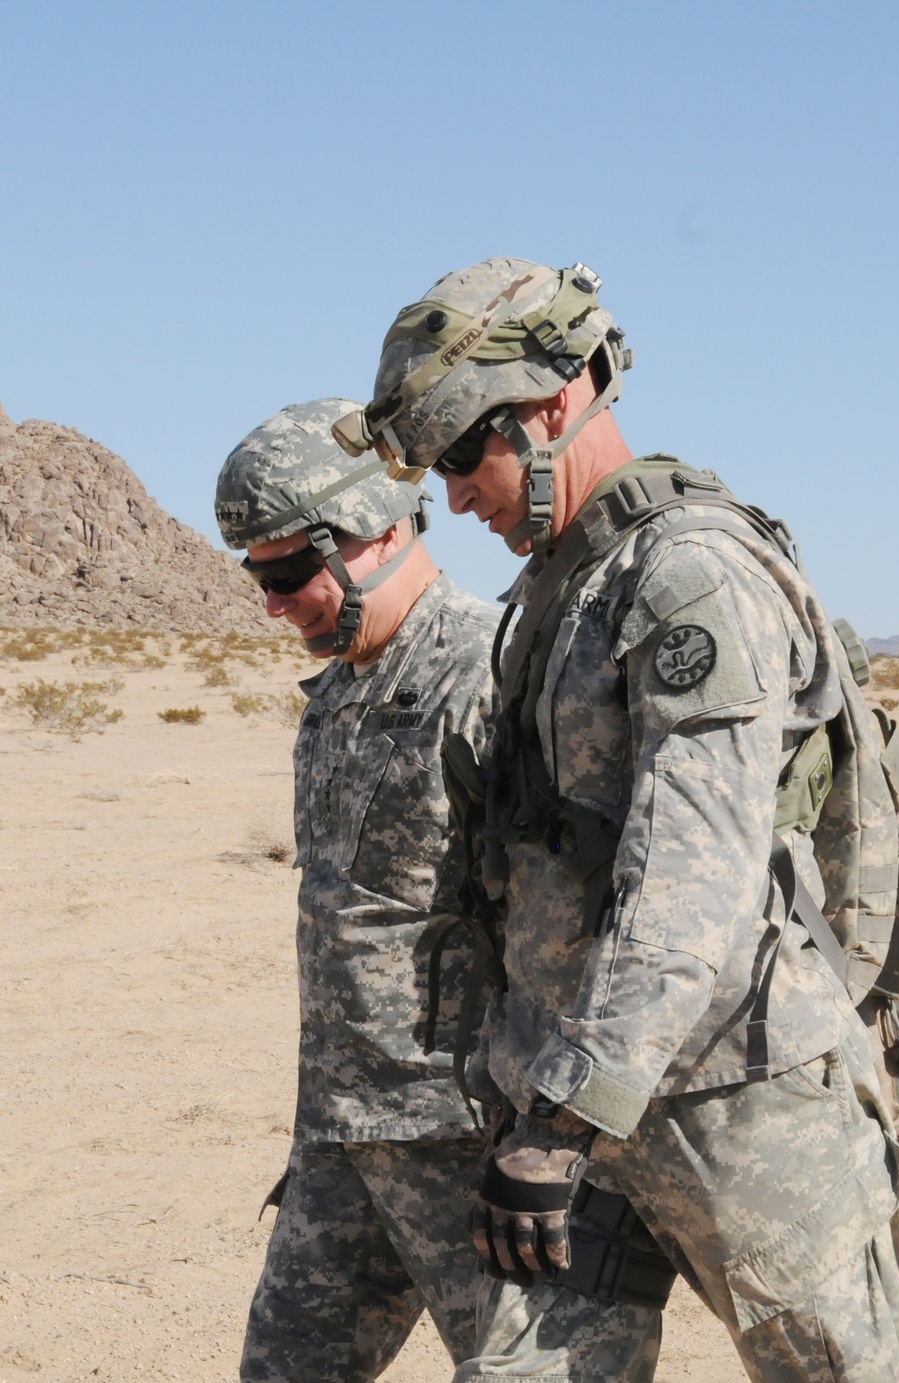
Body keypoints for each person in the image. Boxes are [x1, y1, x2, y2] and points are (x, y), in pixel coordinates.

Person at [336, 260, 899, 1382]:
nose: (456, 496)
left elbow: (687, 880)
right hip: (571, 1101)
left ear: (552, 403)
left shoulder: (687, 575)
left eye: (466, 451)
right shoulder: (560, 586)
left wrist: (562, 1121)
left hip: (731, 1094)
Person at [215, 398, 499, 1383]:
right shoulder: (336, 694)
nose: (274, 604)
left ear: (377, 532)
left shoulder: (489, 673)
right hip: (341, 1141)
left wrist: (548, 1146)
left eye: (290, 573)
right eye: (257, 578)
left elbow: (568, 925)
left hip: (469, 1152)